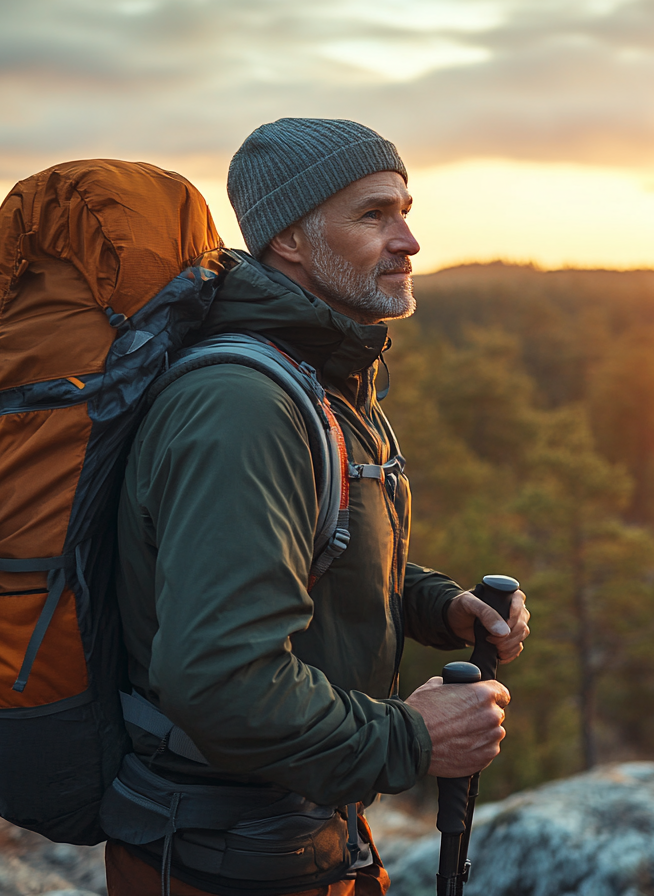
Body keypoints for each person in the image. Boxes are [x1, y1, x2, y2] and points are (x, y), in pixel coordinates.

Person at [102, 118, 531, 896]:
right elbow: (220, 680)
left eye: (404, 209)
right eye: (373, 215)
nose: (409, 240)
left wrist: (435, 607)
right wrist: (413, 736)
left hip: (292, 838)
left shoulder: (320, 378)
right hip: (225, 860)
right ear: (291, 240)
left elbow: (303, 559)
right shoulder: (243, 407)